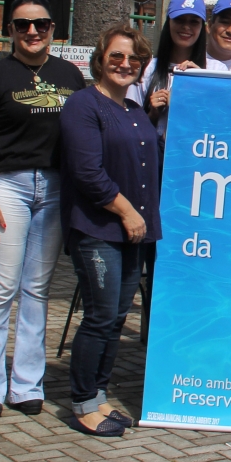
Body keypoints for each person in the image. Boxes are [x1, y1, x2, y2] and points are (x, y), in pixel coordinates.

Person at [0, 0, 86, 419]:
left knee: (36, 290)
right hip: (6, 188)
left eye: (42, 24)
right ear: (11, 30)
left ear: (54, 29)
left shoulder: (70, 75)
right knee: (0, 288)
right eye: (23, 25)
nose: (33, 31)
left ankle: (27, 385)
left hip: (53, 188)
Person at [59, 25, 162, 436]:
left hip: (133, 234)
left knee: (117, 317)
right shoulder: (83, 105)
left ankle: (99, 398)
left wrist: (140, 220)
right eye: (116, 56)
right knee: (99, 317)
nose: (125, 64)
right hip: (98, 228)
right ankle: (83, 402)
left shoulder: (135, 111)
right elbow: (88, 173)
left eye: (133, 59)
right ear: (100, 60)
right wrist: (126, 212)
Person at [135, 0, 208, 142]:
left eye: (194, 21)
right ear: (168, 22)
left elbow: (220, 122)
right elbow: (131, 127)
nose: (186, 27)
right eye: (180, 20)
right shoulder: (148, 68)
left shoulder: (215, 71)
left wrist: (202, 83)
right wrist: (152, 114)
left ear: (203, 27)